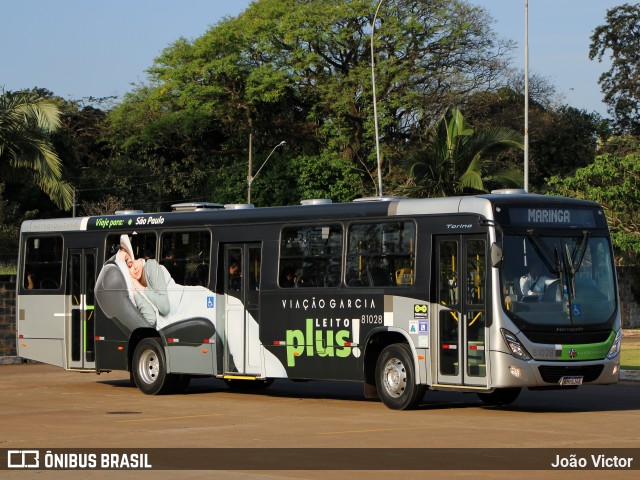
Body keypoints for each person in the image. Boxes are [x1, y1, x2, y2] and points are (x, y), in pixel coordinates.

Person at [117, 235, 170, 324]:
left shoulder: (150, 265)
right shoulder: (134, 286)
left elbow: (165, 308)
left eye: (134, 260)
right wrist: (134, 289)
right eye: (129, 266)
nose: (134, 267)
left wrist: (138, 286)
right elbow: (151, 319)